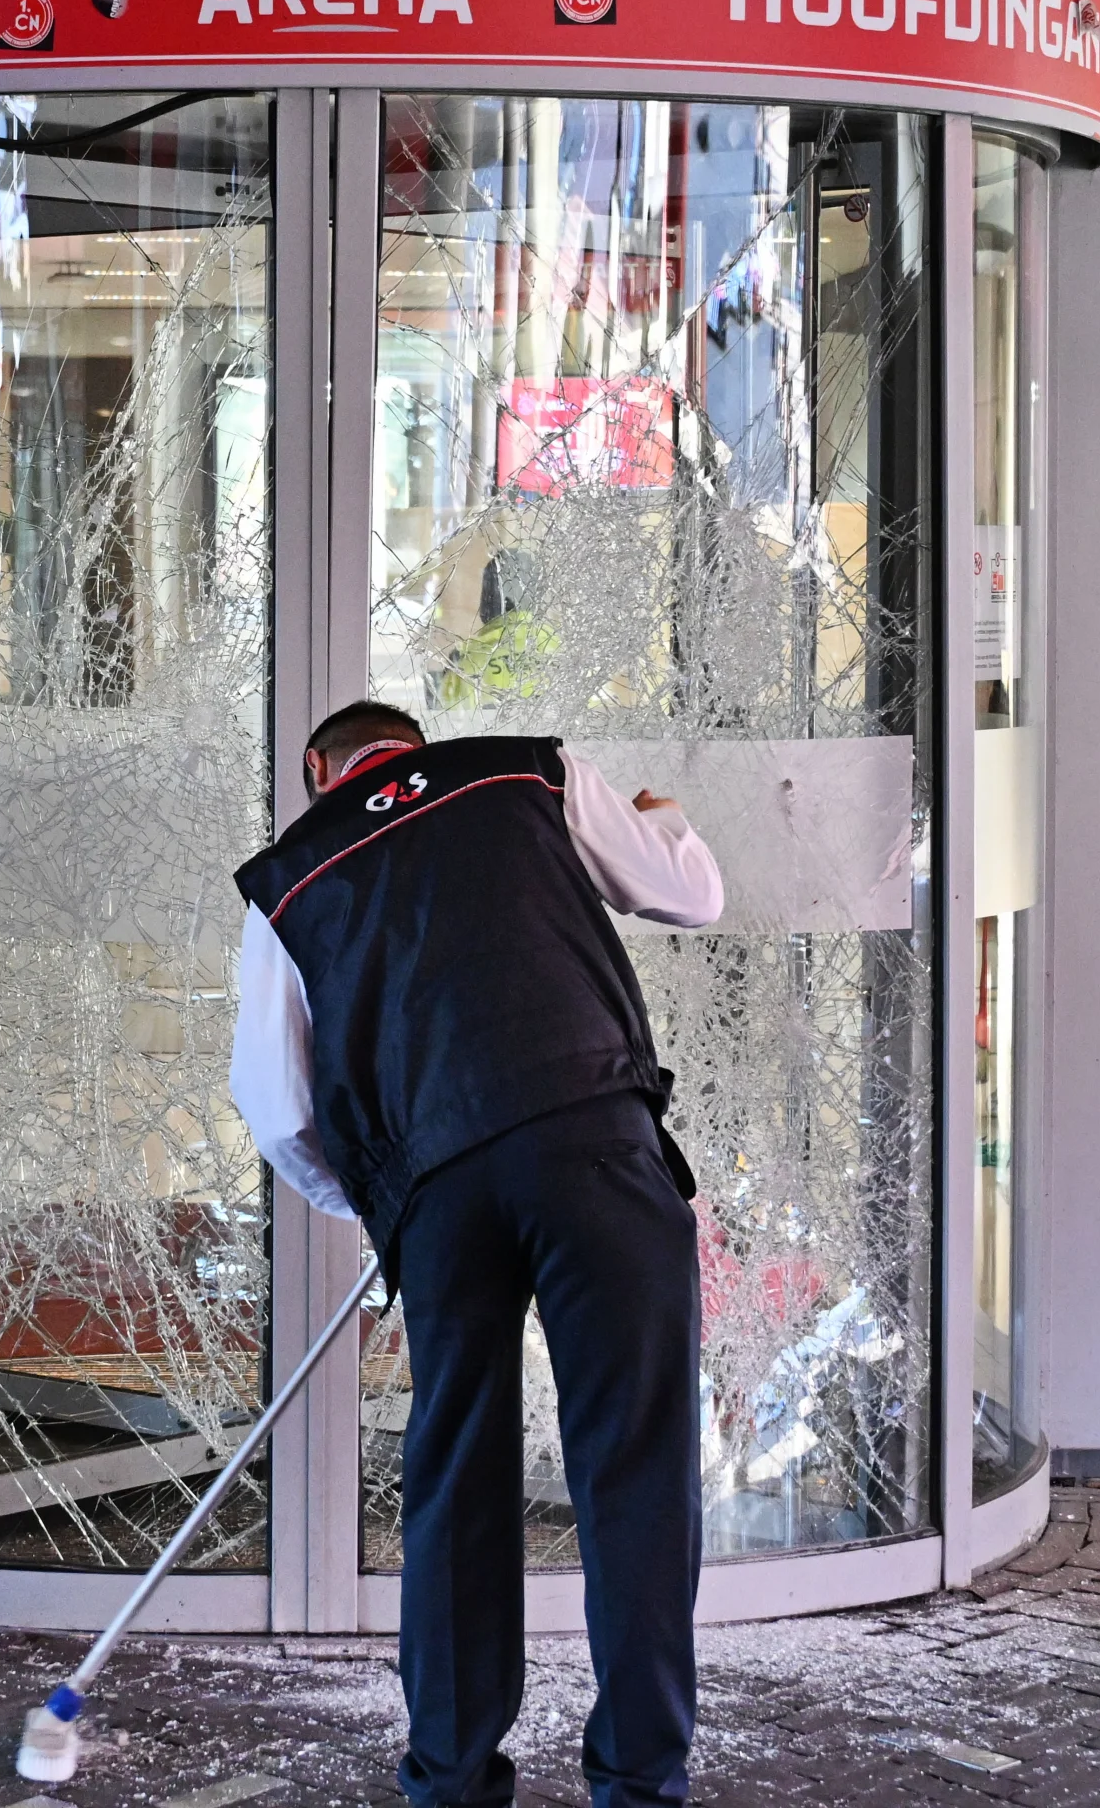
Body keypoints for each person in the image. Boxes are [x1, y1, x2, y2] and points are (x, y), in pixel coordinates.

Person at [228, 700, 723, 1808]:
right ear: (416, 744)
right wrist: (670, 818)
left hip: (440, 1185)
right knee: (634, 1465)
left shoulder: (289, 882)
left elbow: (275, 1107)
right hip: (594, 1142)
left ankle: (449, 1779)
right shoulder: (526, 774)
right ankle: (643, 1783)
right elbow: (693, 893)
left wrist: (378, 1202)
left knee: (454, 1477)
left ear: (322, 771)